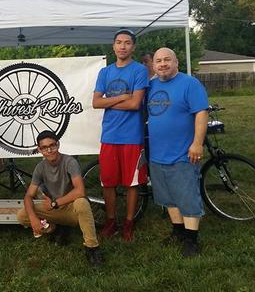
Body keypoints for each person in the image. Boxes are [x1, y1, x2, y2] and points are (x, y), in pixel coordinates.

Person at [146, 47, 208, 257]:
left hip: (183, 153)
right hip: (157, 154)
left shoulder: (189, 84)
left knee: (187, 195)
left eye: (167, 60)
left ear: (176, 63)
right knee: (169, 196)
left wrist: (197, 143)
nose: (162, 64)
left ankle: (192, 240)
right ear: (153, 65)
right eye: (158, 61)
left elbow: (201, 113)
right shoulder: (151, 85)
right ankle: (178, 231)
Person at [92, 29, 149, 241]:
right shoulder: (105, 72)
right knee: (108, 182)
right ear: (113, 46)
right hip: (109, 136)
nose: (122, 46)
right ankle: (111, 221)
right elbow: (96, 102)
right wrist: (123, 96)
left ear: (133, 47)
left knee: (132, 182)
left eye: (127, 43)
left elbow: (135, 104)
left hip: (131, 137)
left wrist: (112, 100)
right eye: (119, 42)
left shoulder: (139, 71)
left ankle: (128, 222)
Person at [16, 131, 103, 268]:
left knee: (82, 202)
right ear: (39, 149)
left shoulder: (70, 162)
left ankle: (92, 248)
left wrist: (55, 203)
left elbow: (80, 190)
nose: (49, 150)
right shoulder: (40, 167)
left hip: (71, 208)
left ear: (58, 145)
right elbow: (28, 196)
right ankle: (53, 229)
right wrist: (33, 218)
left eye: (52, 145)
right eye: (44, 147)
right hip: (54, 208)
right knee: (22, 215)